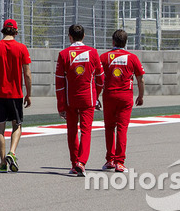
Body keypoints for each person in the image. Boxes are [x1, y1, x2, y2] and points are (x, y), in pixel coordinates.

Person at [0, 18, 32, 173]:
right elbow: (27, 74)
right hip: (16, 94)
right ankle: (12, 152)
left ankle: (3, 162)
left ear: (3, 30)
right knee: (17, 125)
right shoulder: (22, 48)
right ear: (16, 32)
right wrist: (28, 94)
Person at [55, 24, 103, 177]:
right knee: (86, 130)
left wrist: (61, 105)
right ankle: (82, 163)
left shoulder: (63, 54)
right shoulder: (93, 52)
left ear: (69, 37)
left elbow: (59, 83)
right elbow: (100, 79)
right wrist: (96, 96)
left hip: (70, 100)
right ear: (83, 36)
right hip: (88, 99)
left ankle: (74, 162)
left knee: (72, 131)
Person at [99, 29, 144, 173]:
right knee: (122, 129)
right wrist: (141, 96)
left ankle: (110, 160)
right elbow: (140, 78)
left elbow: (97, 78)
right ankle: (120, 162)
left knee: (109, 128)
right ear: (125, 42)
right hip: (125, 96)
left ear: (113, 41)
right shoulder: (132, 57)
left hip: (109, 96)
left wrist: (96, 95)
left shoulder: (104, 57)